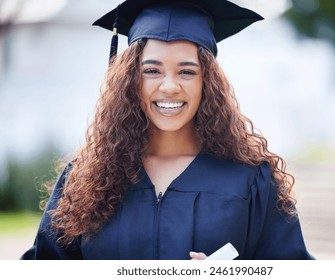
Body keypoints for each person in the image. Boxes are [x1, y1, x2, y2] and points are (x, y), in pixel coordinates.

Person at [21, 0, 314, 260]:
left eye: (187, 71)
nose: (170, 86)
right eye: (152, 71)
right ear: (130, 80)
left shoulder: (250, 180)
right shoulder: (86, 179)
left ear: (207, 82)